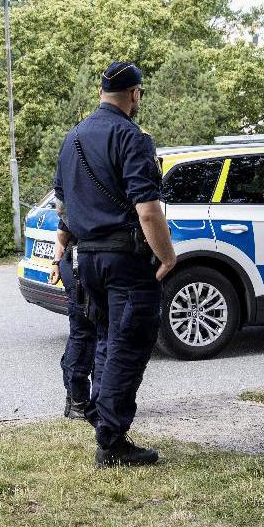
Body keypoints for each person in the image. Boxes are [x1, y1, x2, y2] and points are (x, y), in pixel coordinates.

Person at [54, 60, 176, 468]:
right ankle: (111, 440)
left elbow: (62, 204)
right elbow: (148, 210)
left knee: (108, 340)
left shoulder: (71, 139)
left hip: (87, 259)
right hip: (126, 261)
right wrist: (168, 255)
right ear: (134, 94)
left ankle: (104, 423)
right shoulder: (132, 137)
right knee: (129, 346)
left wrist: (63, 251)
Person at [48, 223, 96, 420]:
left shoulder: (72, 191)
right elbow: (63, 231)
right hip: (81, 262)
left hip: (73, 260)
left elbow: (63, 229)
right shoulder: (86, 191)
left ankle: (75, 399)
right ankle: (78, 401)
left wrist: (56, 261)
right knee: (84, 334)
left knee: (83, 333)